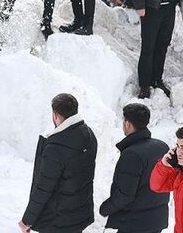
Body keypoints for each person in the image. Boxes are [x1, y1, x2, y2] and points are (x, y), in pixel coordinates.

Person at [19, 93, 97, 233]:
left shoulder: (55, 148)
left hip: (57, 221)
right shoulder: (89, 135)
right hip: (78, 214)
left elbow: (43, 188)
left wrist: (27, 220)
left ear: (55, 115)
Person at [99, 103, 169, 233]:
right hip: (156, 220)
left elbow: (125, 194)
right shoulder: (162, 147)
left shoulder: (132, 154)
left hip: (135, 223)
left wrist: (105, 208)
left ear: (128, 123)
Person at [150, 127, 183, 233]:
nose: (179, 152)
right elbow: (157, 186)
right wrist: (164, 165)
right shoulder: (179, 174)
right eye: (178, 146)